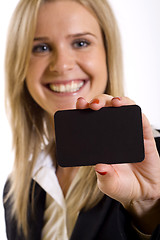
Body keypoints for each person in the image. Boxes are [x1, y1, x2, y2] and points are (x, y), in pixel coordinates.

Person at [3, 0, 160, 239]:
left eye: (81, 42)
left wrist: (149, 208)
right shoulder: (16, 191)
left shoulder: (153, 163)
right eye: (41, 48)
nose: (62, 65)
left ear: (108, 52)